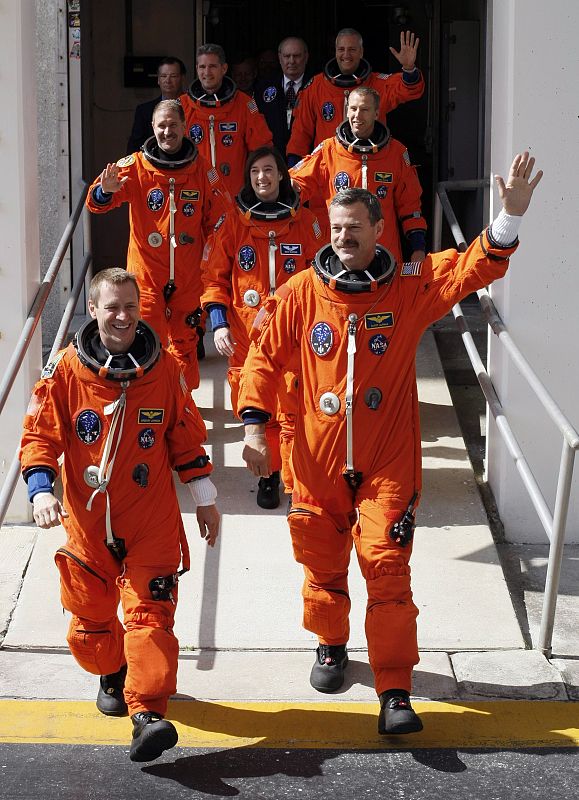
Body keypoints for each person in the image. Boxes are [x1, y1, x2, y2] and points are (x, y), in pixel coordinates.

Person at [239, 154, 542, 734]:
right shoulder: (302, 294)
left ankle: (395, 687)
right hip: (316, 461)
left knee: (387, 568)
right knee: (322, 565)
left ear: (379, 230)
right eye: (336, 229)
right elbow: (261, 359)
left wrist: (508, 219)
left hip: (386, 463)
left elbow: (470, 269)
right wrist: (255, 427)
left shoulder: (406, 288)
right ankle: (330, 644)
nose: (345, 237)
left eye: (356, 227)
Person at [20, 268, 221, 762]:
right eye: (112, 306)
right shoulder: (67, 371)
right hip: (89, 525)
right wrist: (41, 489)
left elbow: (184, 436)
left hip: (149, 518)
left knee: (151, 617)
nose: (123, 316)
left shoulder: (166, 368)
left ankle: (148, 713)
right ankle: (111, 670)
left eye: (130, 306)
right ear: (93, 309)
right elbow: (40, 436)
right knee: (90, 625)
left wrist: (205, 495)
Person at [201, 146, 322, 509]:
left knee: (296, 412)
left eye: (269, 170)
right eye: (255, 172)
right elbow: (214, 279)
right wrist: (219, 325)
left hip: (294, 336)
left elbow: (323, 275)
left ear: (282, 175)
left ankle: (297, 481)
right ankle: (269, 475)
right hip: (245, 339)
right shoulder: (232, 223)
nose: (262, 178)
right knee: (258, 409)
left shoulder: (308, 222)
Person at [87, 99, 231, 390]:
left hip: (188, 278)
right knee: (146, 340)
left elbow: (223, 219)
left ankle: (183, 406)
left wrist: (208, 259)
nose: (167, 131)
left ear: (184, 127)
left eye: (173, 125)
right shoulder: (136, 166)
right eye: (161, 125)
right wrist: (105, 190)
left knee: (185, 344)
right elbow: (95, 203)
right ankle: (151, 400)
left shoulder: (203, 169)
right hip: (147, 276)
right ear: (153, 127)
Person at [290, 85, 426, 263]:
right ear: (346, 111)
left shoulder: (396, 153)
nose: (357, 116)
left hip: (383, 254)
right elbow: (295, 184)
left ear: (376, 114)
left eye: (364, 109)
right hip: (339, 253)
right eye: (353, 109)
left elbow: (411, 206)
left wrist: (418, 248)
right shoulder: (329, 150)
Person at [286, 29, 424, 165]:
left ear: (361, 52)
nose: (346, 55)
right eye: (341, 49)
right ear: (335, 51)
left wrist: (409, 69)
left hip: (369, 164)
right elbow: (300, 135)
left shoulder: (377, 84)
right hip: (328, 169)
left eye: (352, 49)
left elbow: (408, 89)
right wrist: (293, 173)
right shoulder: (316, 86)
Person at [180, 43, 273, 194]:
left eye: (213, 66)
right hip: (194, 194)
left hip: (233, 194)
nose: (207, 72)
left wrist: (258, 189)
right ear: (196, 68)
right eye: (202, 67)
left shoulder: (244, 104)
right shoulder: (182, 106)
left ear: (224, 69)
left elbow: (262, 148)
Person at [254, 36, 312, 159]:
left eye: (297, 56)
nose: (291, 61)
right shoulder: (263, 87)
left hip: (307, 160)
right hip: (272, 158)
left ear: (306, 57)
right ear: (280, 58)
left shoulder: (316, 85)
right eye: (287, 56)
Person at [127, 57, 187, 153]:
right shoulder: (144, 111)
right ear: (158, 80)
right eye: (163, 76)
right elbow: (135, 148)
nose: (168, 80)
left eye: (173, 76)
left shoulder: (194, 107)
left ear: (182, 78)